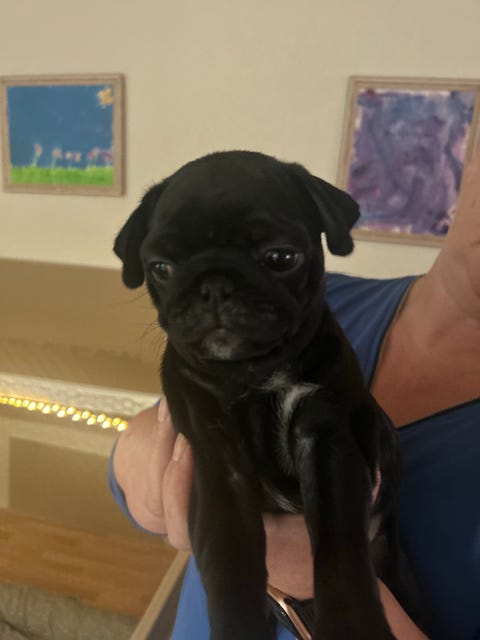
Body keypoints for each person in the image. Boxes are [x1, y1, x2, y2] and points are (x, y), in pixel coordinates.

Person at [109, 154, 480, 640]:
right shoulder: (332, 298)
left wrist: (309, 585)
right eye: (164, 267)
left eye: (277, 260)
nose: (217, 297)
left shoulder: (316, 328)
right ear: (469, 159)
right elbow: (137, 477)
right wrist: (144, 457)